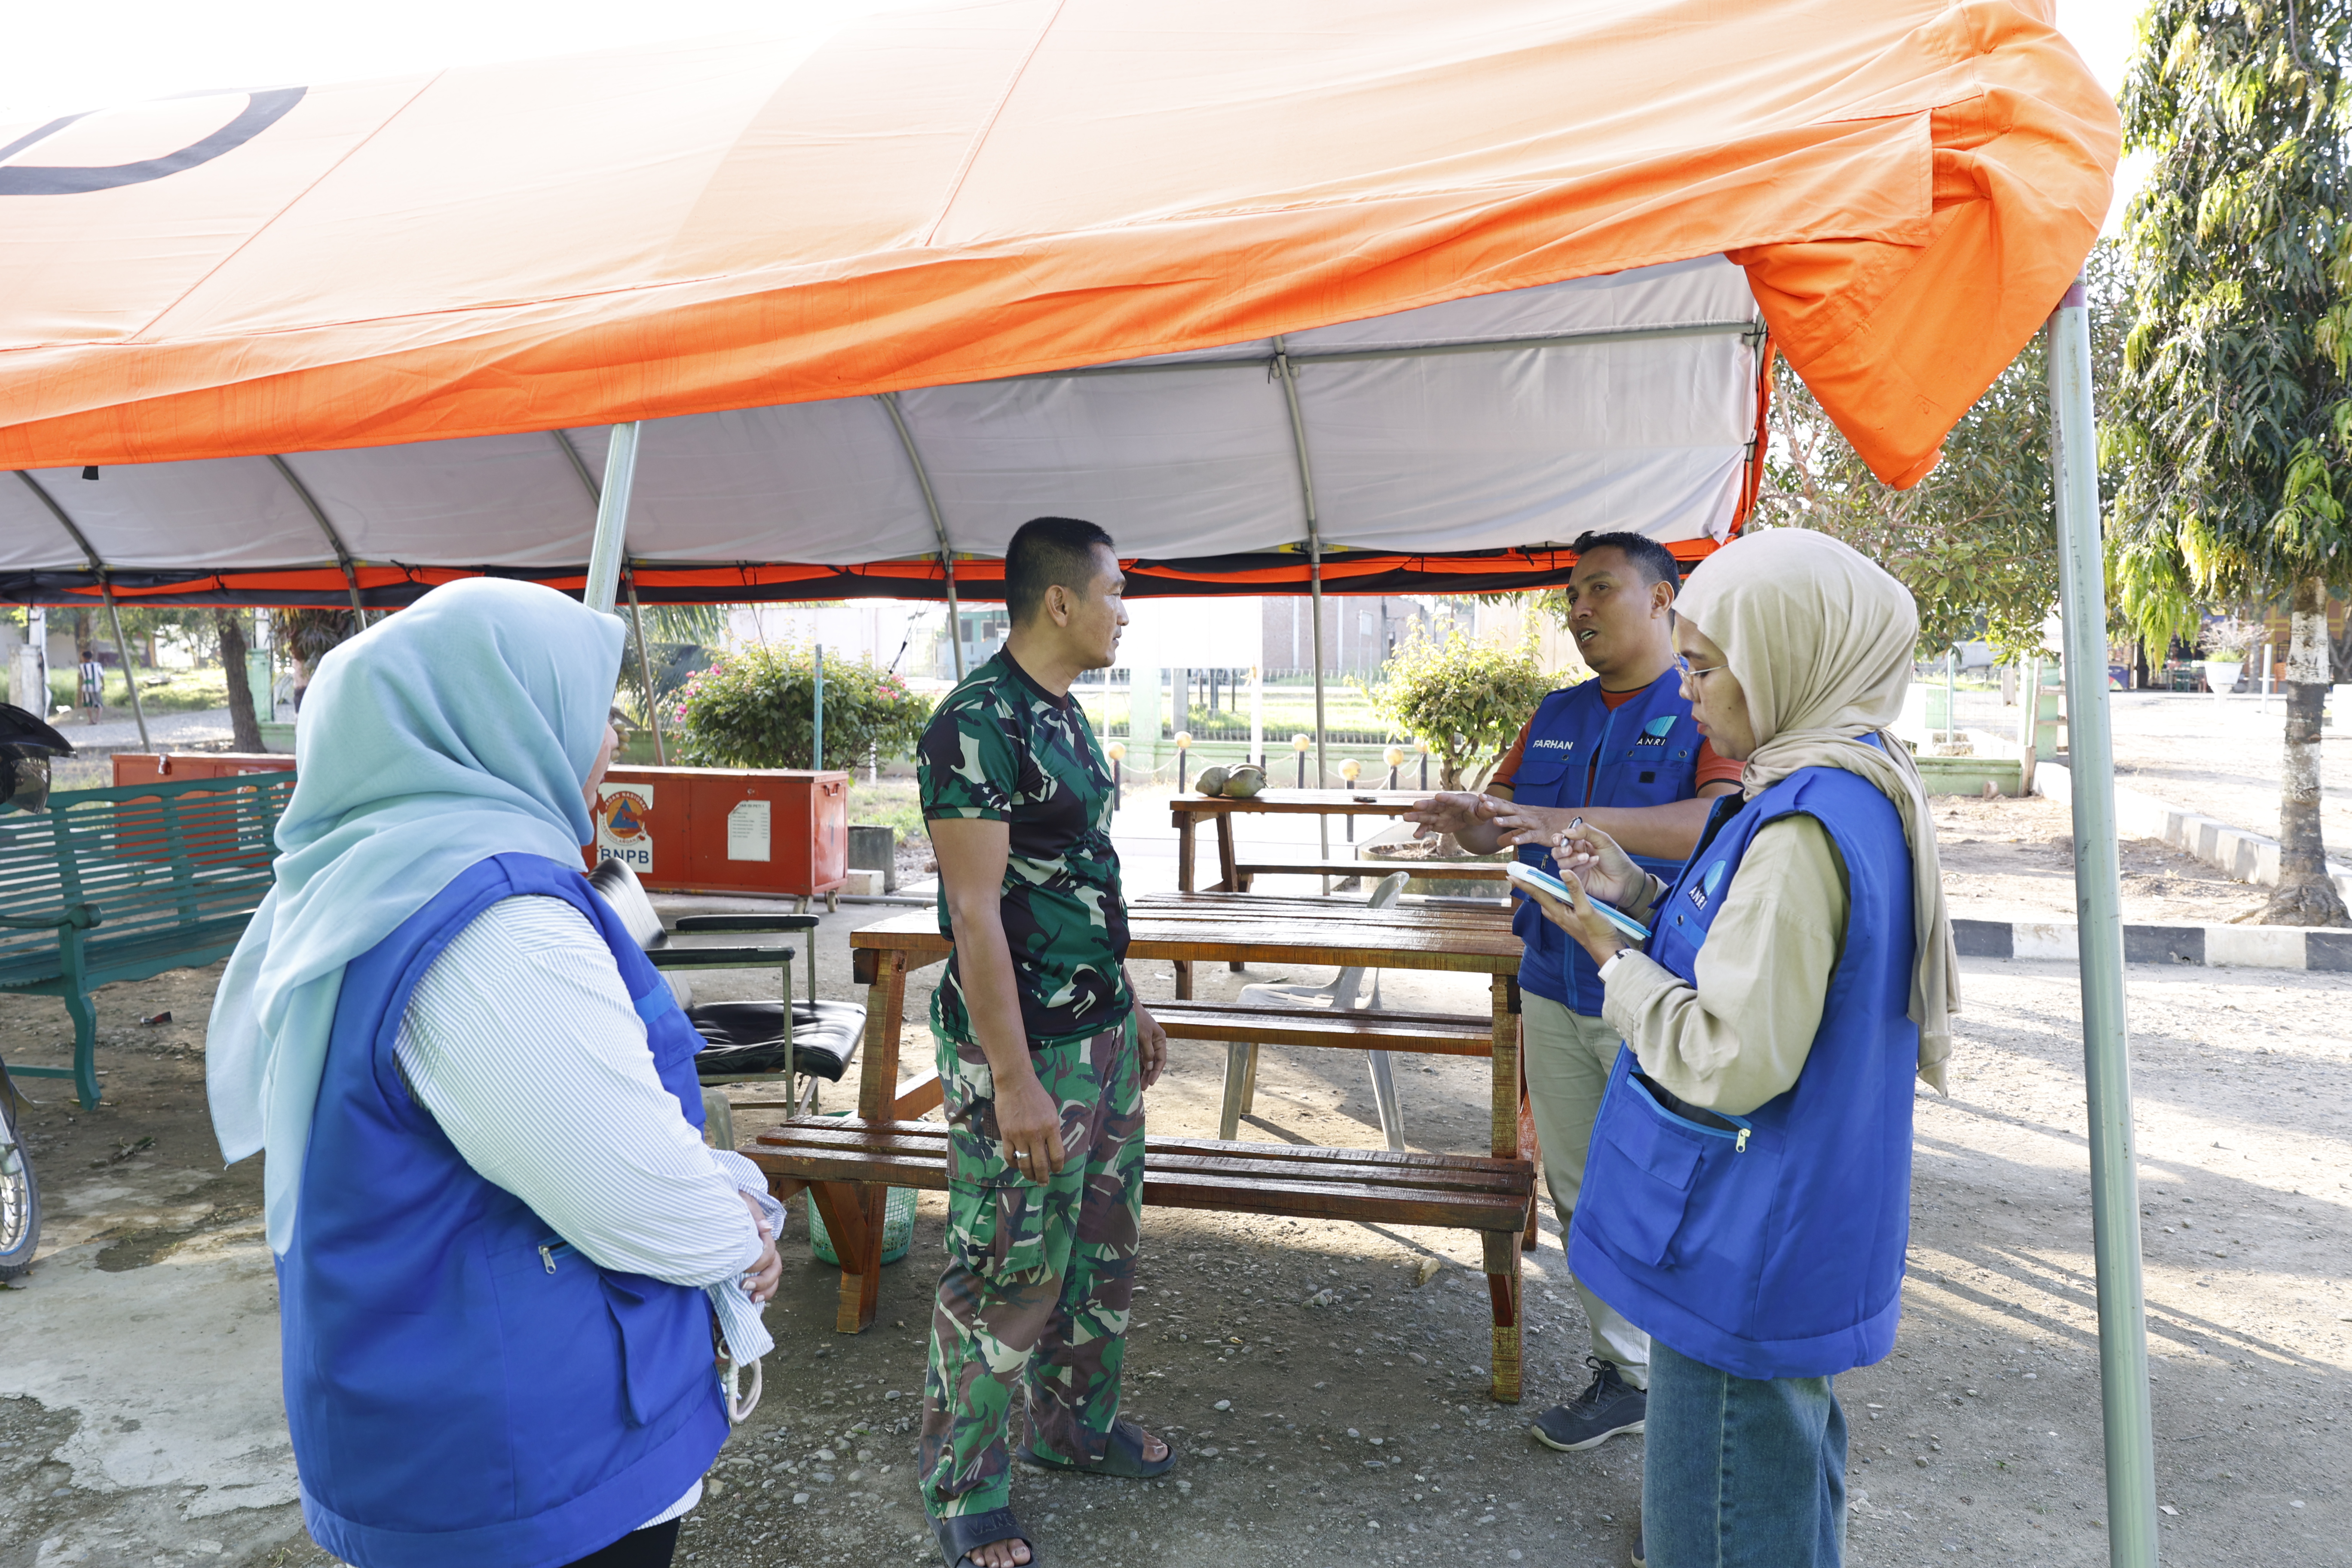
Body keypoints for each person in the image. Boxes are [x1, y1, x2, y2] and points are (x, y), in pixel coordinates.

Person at [206, 578, 782, 1568]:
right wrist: (737, 1228)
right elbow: (627, 1186)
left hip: (427, 1412)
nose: (610, 742)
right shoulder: (490, 926)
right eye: (590, 710)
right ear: (506, 718)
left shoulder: (373, 870)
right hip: (525, 1464)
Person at [1520, 527, 1958, 1568]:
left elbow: (1726, 1052)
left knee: (1716, 1519)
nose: (1691, 691)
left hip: (1740, 1239)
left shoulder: (1802, 826)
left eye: (1708, 668)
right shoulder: (1846, 785)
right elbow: (1755, 955)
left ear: (1788, 660)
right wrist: (1633, 894)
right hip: (1790, 1222)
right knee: (1776, 1491)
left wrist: (1606, 956)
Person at [1403, 530, 1741, 1452]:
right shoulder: (1555, 711)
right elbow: (1506, 824)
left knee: (1673, 1192)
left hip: (1660, 992)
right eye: (1571, 597)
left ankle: (1697, 1391)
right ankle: (1626, 1372)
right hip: (1553, 984)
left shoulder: (1707, 700)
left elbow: (1711, 818)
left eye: (1600, 589)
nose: (1579, 610)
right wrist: (1472, 821)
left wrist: (1563, 821)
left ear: (1665, 597)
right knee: (1584, 1188)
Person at [915, 516, 1173, 1568]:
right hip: (1023, 1051)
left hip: (1097, 1032)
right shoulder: (974, 724)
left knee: (1099, 1253)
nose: (1126, 609)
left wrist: (1128, 999)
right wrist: (1013, 1080)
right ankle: (964, 1482)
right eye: (1115, 590)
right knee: (1007, 1267)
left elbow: (1083, 880)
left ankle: (1071, 1429)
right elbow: (975, 915)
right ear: (1059, 601)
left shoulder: (1063, 717)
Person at [77, 654, 103, 725]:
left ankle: (91, 720)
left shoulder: (82, 666)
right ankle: (98, 720)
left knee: (88, 704)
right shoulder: (97, 665)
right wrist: (103, 685)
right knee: (99, 704)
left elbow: (81, 675)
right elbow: (101, 675)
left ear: (84, 658)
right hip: (96, 687)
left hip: (86, 688)